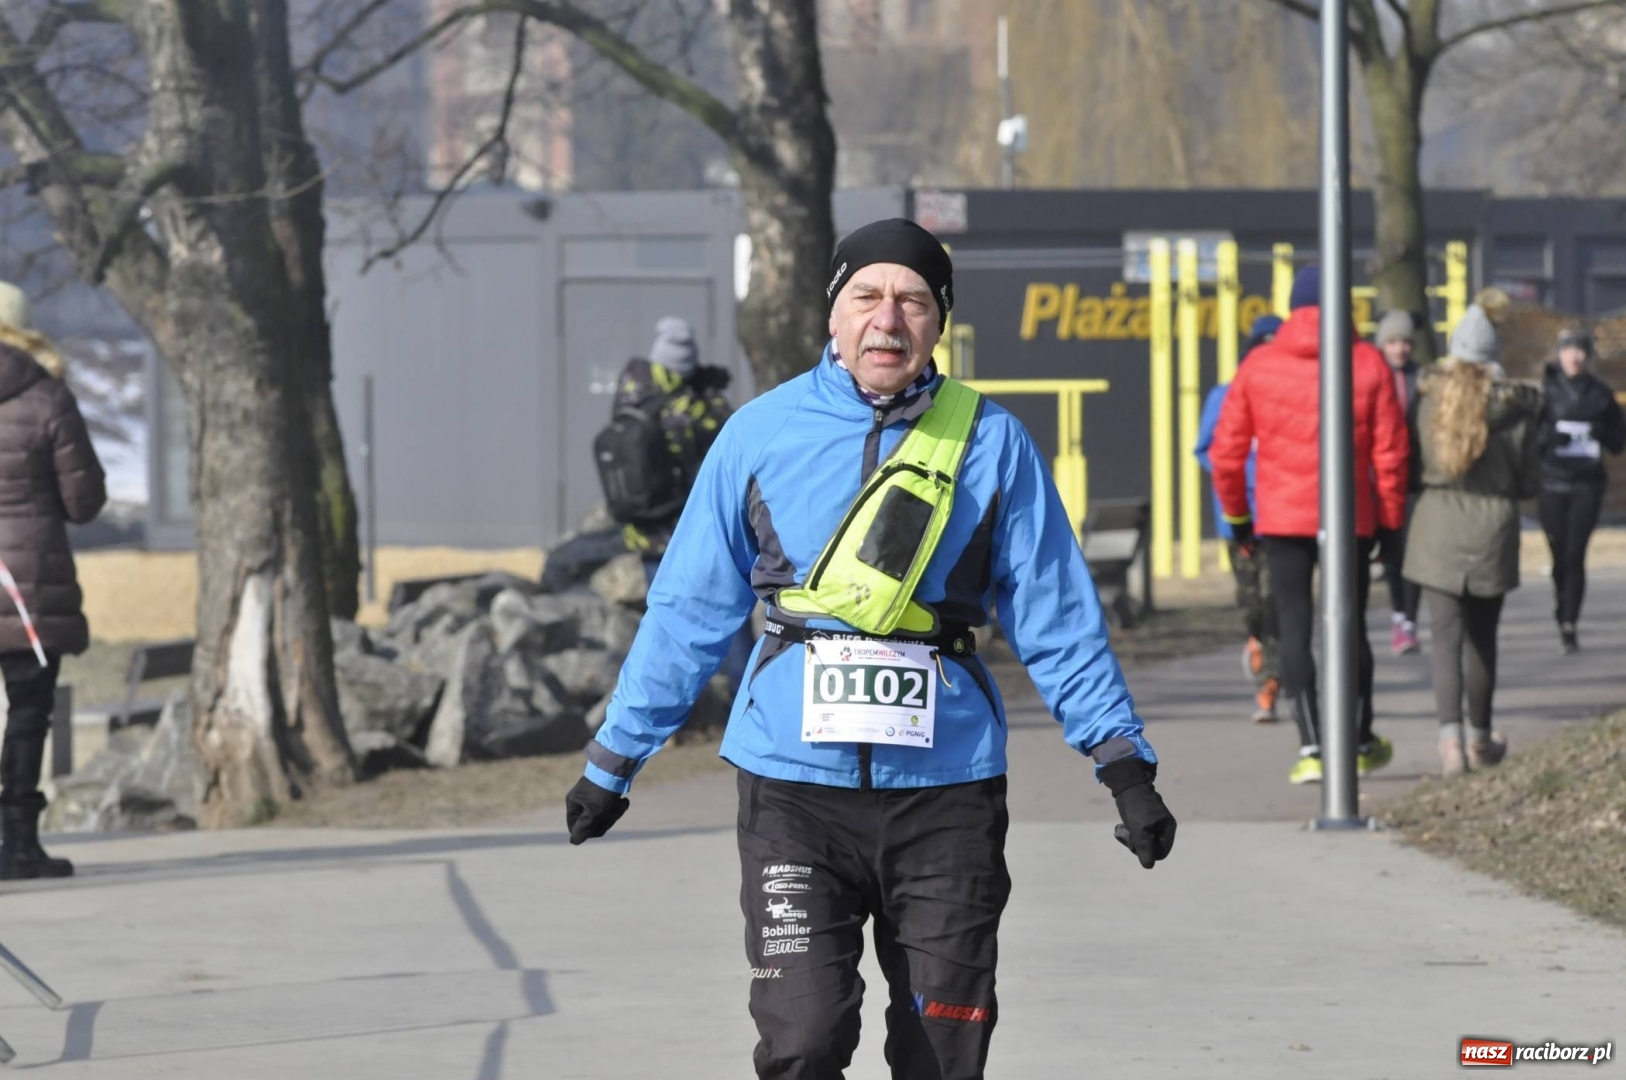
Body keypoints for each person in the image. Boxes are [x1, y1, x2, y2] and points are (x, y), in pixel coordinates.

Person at [564, 219, 1176, 1079]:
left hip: (946, 794)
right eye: (867, 296)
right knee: (804, 1041)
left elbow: (1058, 615)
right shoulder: (758, 434)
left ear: (939, 321)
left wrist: (1124, 765)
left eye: (913, 301)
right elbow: (687, 610)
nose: (887, 319)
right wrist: (614, 761)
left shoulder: (992, 442)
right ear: (834, 315)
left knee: (943, 1052)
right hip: (793, 794)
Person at [1209, 265, 1410, 786]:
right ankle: (1360, 740)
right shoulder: (1367, 362)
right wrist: (1390, 524)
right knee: (1351, 626)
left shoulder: (1259, 365)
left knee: (1294, 627)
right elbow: (1390, 456)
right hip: (1350, 517)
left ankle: (1312, 745)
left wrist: (1239, 518)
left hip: (1282, 518)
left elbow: (1226, 454)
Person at [1402, 306, 1542, 775]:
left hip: (1437, 526)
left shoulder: (1429, 401)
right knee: (1482, 640)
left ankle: (1450, 745)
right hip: (1492, 530)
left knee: (1444, 639)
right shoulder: (1517, 410)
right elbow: (1528, 481)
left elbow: (1412, 464)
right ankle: (1480, 738)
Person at [0, 282, 105, 878]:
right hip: (30, 585)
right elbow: (83, 501)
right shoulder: (48, 398)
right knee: (28, 711)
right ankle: (17, 845)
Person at [1195, 313, 1282, 723]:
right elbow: (1205, 450)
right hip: (1238, 517)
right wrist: (1238, 476)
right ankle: (1256, 639)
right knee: (1251, 601)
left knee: (1276, 599)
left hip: (1281, 517)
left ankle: (1270, 686)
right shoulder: (1224, 395)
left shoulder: (1290, 394)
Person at [1537, 327, 1625, 654]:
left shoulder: (1601, 394)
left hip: (1587, 485)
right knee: (1558, 554)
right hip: (1552, 482)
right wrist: (1549, 439)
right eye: (1568, 349)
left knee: (1576, 554)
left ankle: (1569, 622)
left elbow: (1618, 441)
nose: (1574, 356)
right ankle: (1562, 603)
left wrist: (1601, 433)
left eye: (1580, 350)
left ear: (1588, 355)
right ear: (1559, 353)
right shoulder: (1546, 391)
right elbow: (1530, 439)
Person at [1374, 309, 1424, 656]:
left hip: (1415, 479)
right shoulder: (1373, 376)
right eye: (1392, 342)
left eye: (1405, 342)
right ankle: (1398, 614)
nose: (1399, 349)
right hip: (1381, 478)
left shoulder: (1421, 379)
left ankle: (1408, 621)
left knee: (1412, 551)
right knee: (1392, 553)